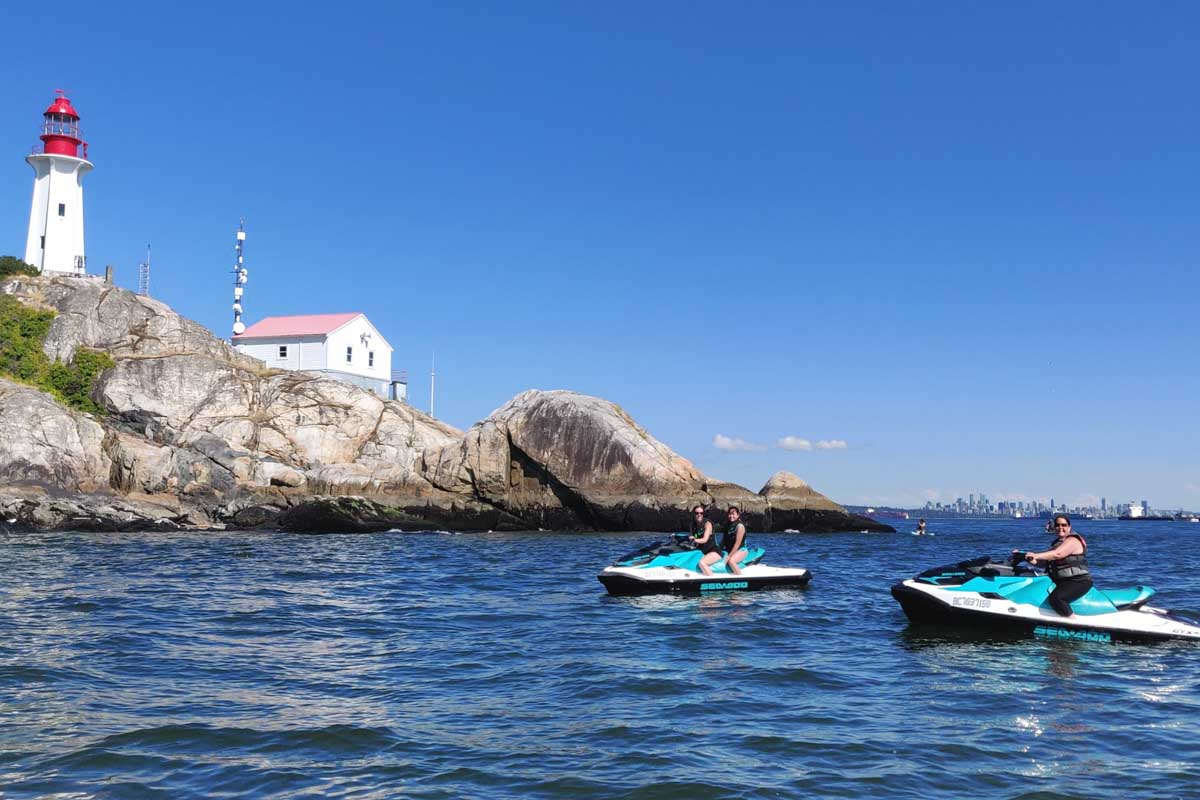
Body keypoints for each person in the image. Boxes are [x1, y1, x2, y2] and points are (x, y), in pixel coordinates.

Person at [1020, 514, 1092, 617]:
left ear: (1069, 527)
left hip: (1079, 581)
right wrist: (1026, 557)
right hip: (1063, 581)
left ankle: (1072, 621)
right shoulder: (1057, 544)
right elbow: (1043, 563)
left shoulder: (1073, 540)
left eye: (1064, 525)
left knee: (1057, 598)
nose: (1060, 528)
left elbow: (1057, 554)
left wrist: (1036, 555)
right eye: (1057, 525)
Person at [690, 505, 721, 576]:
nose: (699, 515)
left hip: (714, 551)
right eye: (697, 513)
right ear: (693, 514)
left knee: (702, 563)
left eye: (701, 513)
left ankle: (712, 583)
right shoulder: (693, 525)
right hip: (703, 551)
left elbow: (704, 539)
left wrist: (694, 540)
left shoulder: (707, 524)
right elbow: (695, 537)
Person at [721, 506, 749, 576]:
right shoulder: (727, 526)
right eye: (729, 514)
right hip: (730, 550)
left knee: (731, 561)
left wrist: (728, 557)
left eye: (733, 514)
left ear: (738, 515)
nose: (731, 516)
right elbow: (723, 541)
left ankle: (740, 580)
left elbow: (737, 544)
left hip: (741, 550)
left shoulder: (740, 526)